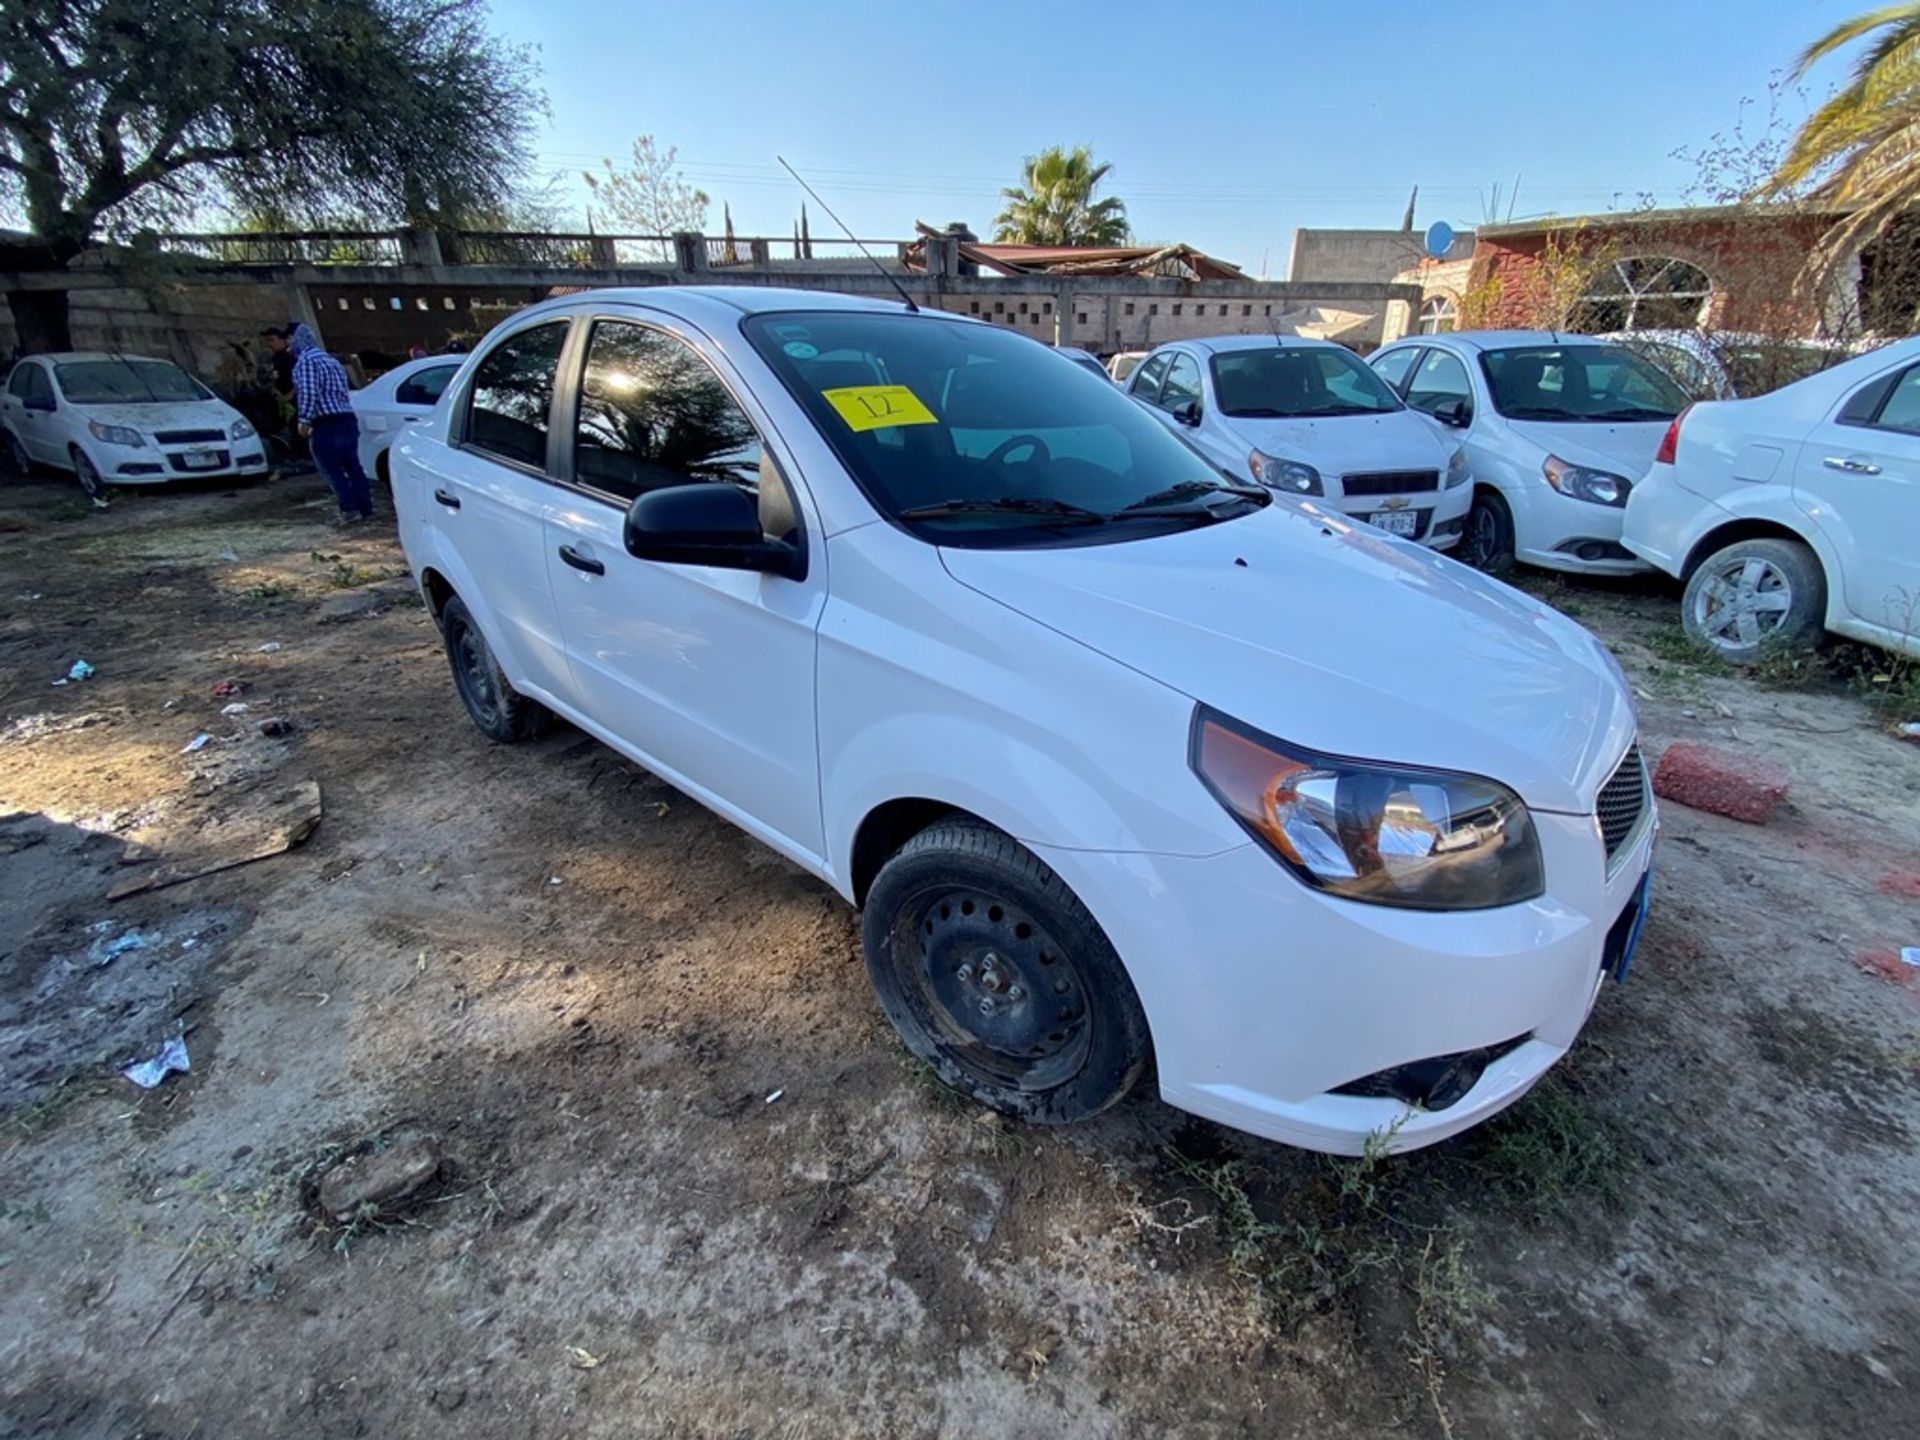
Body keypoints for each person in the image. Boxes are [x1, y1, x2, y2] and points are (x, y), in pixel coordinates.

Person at [288, 323, 374, 523]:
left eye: (291, 340)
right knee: (353, 466)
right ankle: (366, 507)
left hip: (326, 423)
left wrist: (304, 419)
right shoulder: (332, 361)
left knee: (331, 469)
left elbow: (309, 392)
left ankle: (348, 509)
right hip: (346, 419)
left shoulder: (306, 361)